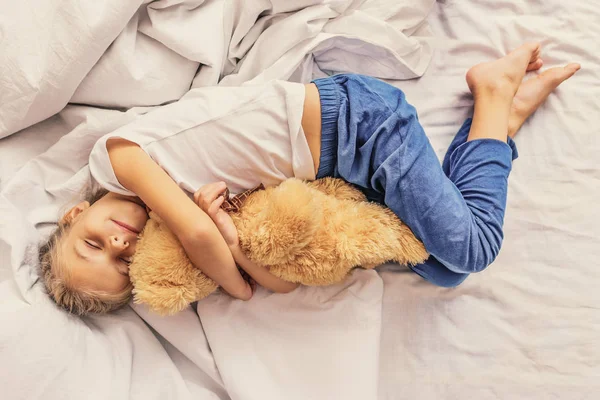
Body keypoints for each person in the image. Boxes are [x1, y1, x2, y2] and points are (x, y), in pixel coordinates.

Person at [39, 43, 580, 315]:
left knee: (473, 249)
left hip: (360, 122)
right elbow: (281, 279)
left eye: (93, 243)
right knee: (442, 270)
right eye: (123, 262)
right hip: (345, 168)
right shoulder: (173, 218)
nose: (119, 243)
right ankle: (496, 124)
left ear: (74, 213)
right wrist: (233, 241)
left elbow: (211, 249)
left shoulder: (116, 161)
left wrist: (233, 283)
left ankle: (493, 93)